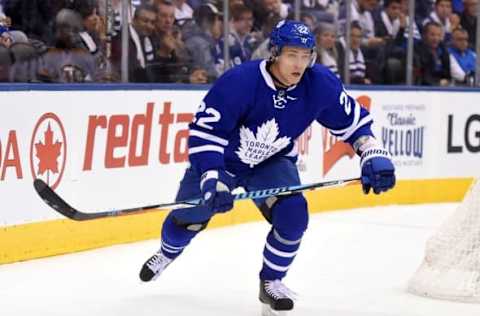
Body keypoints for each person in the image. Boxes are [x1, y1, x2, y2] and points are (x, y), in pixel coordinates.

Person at [139, 20, 395, 314]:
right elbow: (205, 134)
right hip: (223, 160)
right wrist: (212, 176)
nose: (299, 64)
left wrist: (372, 152)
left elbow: (355, 124)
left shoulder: (319, 84)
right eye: (292, 55)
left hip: (271, 161)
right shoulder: (240, 81)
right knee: (189, 219)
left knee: (294, 216)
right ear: (274, 53)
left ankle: (271, 282)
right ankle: (167, 253)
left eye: (305, 56)